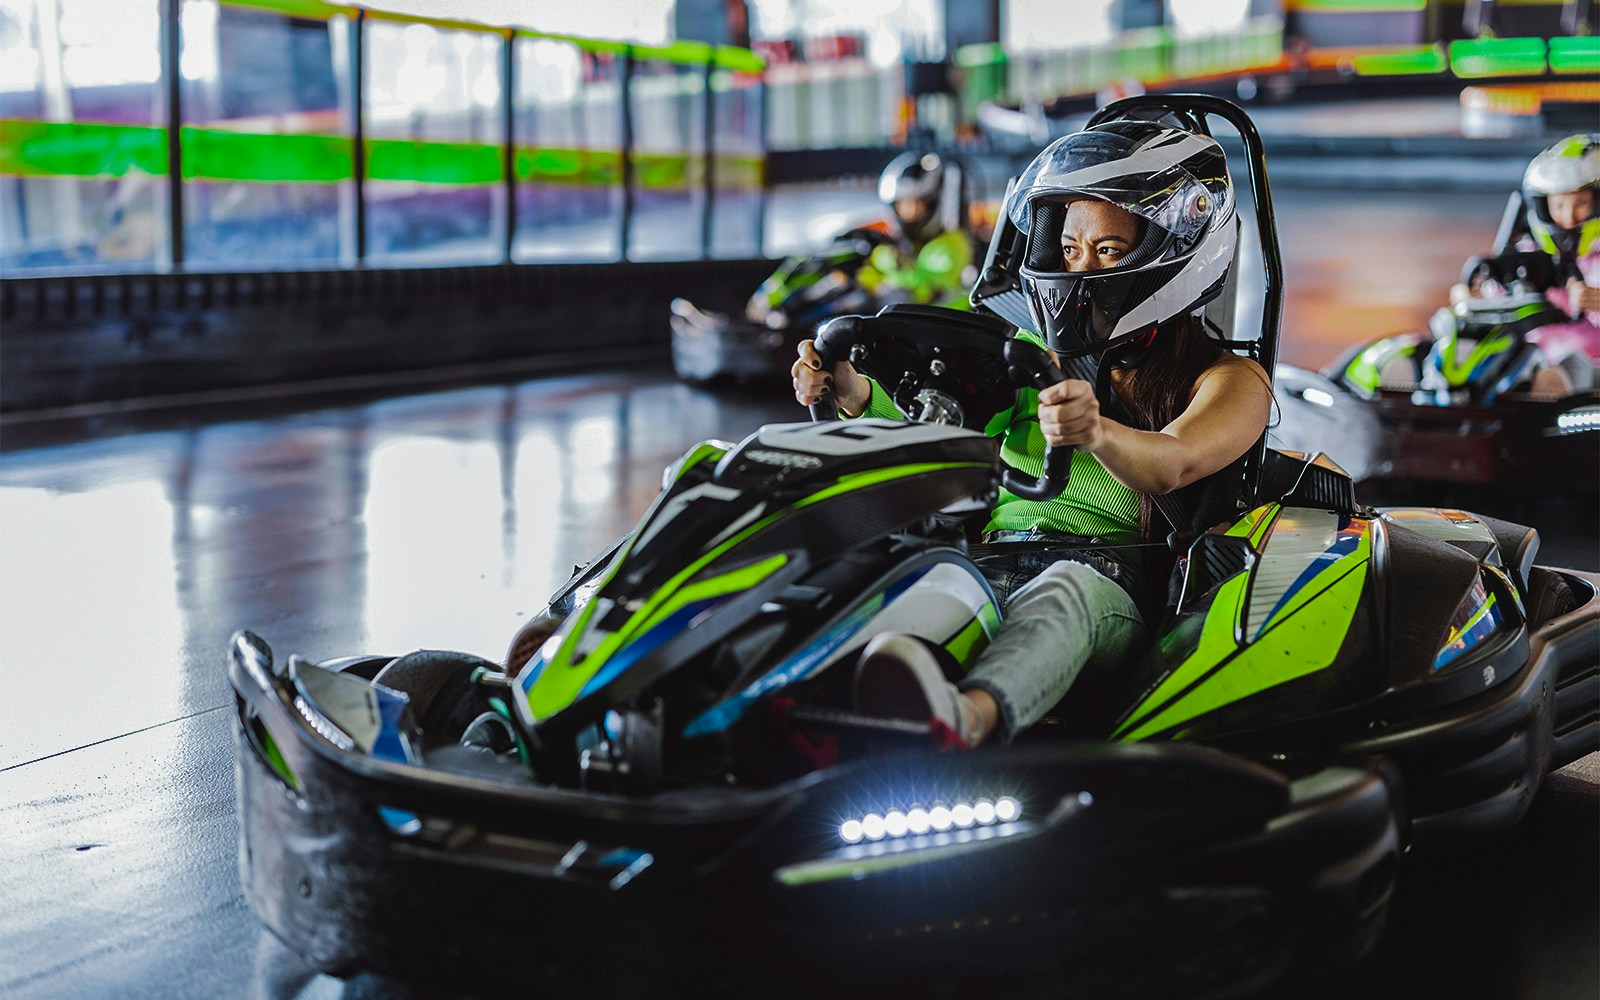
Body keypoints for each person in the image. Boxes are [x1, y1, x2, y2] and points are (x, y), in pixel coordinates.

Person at [791, 118, 1273, 749]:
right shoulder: (1028, 350)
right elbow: (941, 434)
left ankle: (967, 721)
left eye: (1108, 251)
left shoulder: (1230, 379)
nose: (1080, 268)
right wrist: (853, 394)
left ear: (1169, 251)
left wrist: (1096, 431)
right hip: (989, 561)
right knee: (908, 587)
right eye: (1069, 249)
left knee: (1063, 591)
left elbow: (1173, 463)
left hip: (1108, 586)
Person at [1454, 133, 1600, 363]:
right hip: (1529, 355)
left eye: (1581, 203)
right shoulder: (1530, 251)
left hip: (1586, 362)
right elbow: (1505, 293)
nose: (1568, 217)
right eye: (1559, 205)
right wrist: (1476, 297)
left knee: (1570, 361)